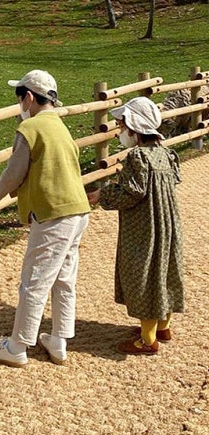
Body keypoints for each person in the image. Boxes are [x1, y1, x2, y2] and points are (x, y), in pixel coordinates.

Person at [0, 69, 91, 367]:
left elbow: (16, 172)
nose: (19, 104)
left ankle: (17, 346)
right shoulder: (60, 126)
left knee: (35, 280)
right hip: (77, 210)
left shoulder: (29, 130)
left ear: (28, 97)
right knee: (64, 278)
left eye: (19, 97)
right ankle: (58, 340)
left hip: (53, 214)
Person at [87, 96, 184, 355]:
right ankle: (163, 326)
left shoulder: (138, 156)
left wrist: (102, 195)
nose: (120, 131)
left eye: (121, 126)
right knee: (164, 268)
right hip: (167, 222)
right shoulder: (165, 154)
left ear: (134, 127)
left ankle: (147, 339)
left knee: (144, 272)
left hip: (144, 226)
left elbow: (133, 192)